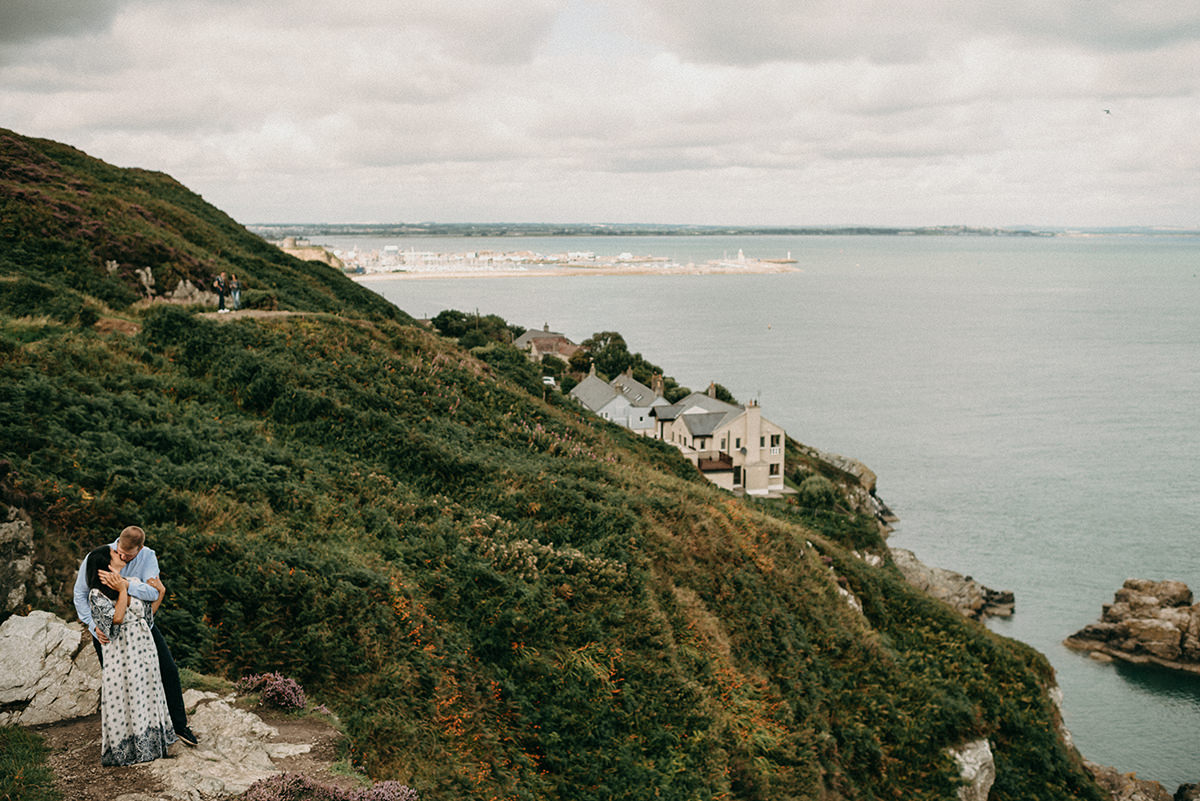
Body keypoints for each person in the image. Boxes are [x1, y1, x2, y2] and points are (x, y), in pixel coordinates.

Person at [74, 526, 198, 747]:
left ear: (139, 549)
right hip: (107, 628)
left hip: (140, 624)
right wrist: (93, 626)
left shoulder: (148, 556)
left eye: (128, 555)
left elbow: (153, 593)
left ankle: (178, 726)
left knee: (167, 670)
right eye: (120, 552)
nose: (122, 557)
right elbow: (80, 594)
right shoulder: (99, 555)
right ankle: (123, 735)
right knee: (117, 682)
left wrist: (126, 585)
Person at [85, 545, 176, 765]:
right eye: (115, 554)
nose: (119, 554)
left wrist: (161, 593)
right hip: (121, 654)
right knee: (125, 696)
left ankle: (151, 747)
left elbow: (147, 615)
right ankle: (128, 750)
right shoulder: (96, 594)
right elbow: (116, 618)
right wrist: (123, 591)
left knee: (147, 693)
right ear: (105, 565)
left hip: (144, 649)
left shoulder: (131, 580)